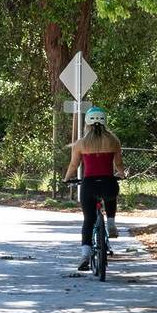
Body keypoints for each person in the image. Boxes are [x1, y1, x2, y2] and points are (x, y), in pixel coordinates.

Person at [64, 106, 124, 271]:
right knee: (111, 193)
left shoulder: (80, 144)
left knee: (88, 220)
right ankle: (111, 223)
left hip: (89, 185)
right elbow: (118, 164)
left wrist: (67, 178)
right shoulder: (113, 141)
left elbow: (74, 164)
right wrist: (121, 173)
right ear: (105, 122)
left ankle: (85, 254)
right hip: (108, 184)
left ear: (87, 124)